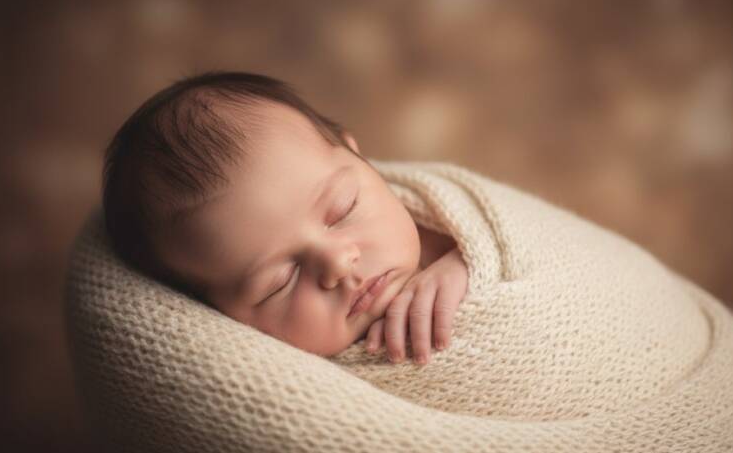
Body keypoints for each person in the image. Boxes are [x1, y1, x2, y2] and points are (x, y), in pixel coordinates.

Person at [102, 71, 469, 365]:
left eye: (343, 209)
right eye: (280, 282)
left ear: (361, 159)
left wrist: (467, 264)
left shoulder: (452, 223)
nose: (338, 262)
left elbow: (520, 236)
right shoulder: (289, 387)